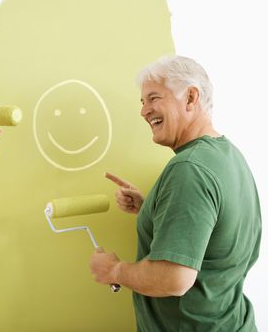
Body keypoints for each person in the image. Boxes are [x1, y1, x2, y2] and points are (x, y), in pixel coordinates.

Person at [90, 55, 261, 331]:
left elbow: (174, 279)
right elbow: (212, 232)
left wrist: (114, 270)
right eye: (142, 102)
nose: (144, 111)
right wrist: (153, 208)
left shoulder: (189, 170)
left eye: (154, 98)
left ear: (191, 98)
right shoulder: (228, 156)